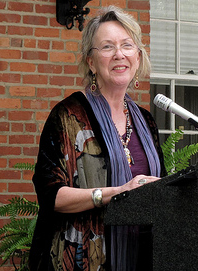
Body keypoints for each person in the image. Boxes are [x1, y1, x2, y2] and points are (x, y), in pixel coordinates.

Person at [29, 5, 166, 271]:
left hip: (141, 258)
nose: (119, 54)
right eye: (107, 47)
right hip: (81, 260)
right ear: (91, 62)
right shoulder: (68, 116)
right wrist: (116, 193)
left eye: (127, 45)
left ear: (137, 58)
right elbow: (50, 195)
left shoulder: (147, 122)